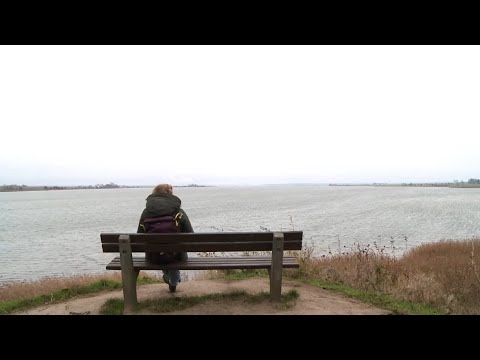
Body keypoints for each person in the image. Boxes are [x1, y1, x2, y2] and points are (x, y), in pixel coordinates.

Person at [137, 183, 194, 292]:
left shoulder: (146, 213)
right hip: (177, 256)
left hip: (153, 257)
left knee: (161, 250)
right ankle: (173, 280)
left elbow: (139, 235)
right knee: (172, 253)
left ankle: (171, 278)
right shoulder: (179, 212)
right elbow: (190, 234)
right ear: (170, 194)